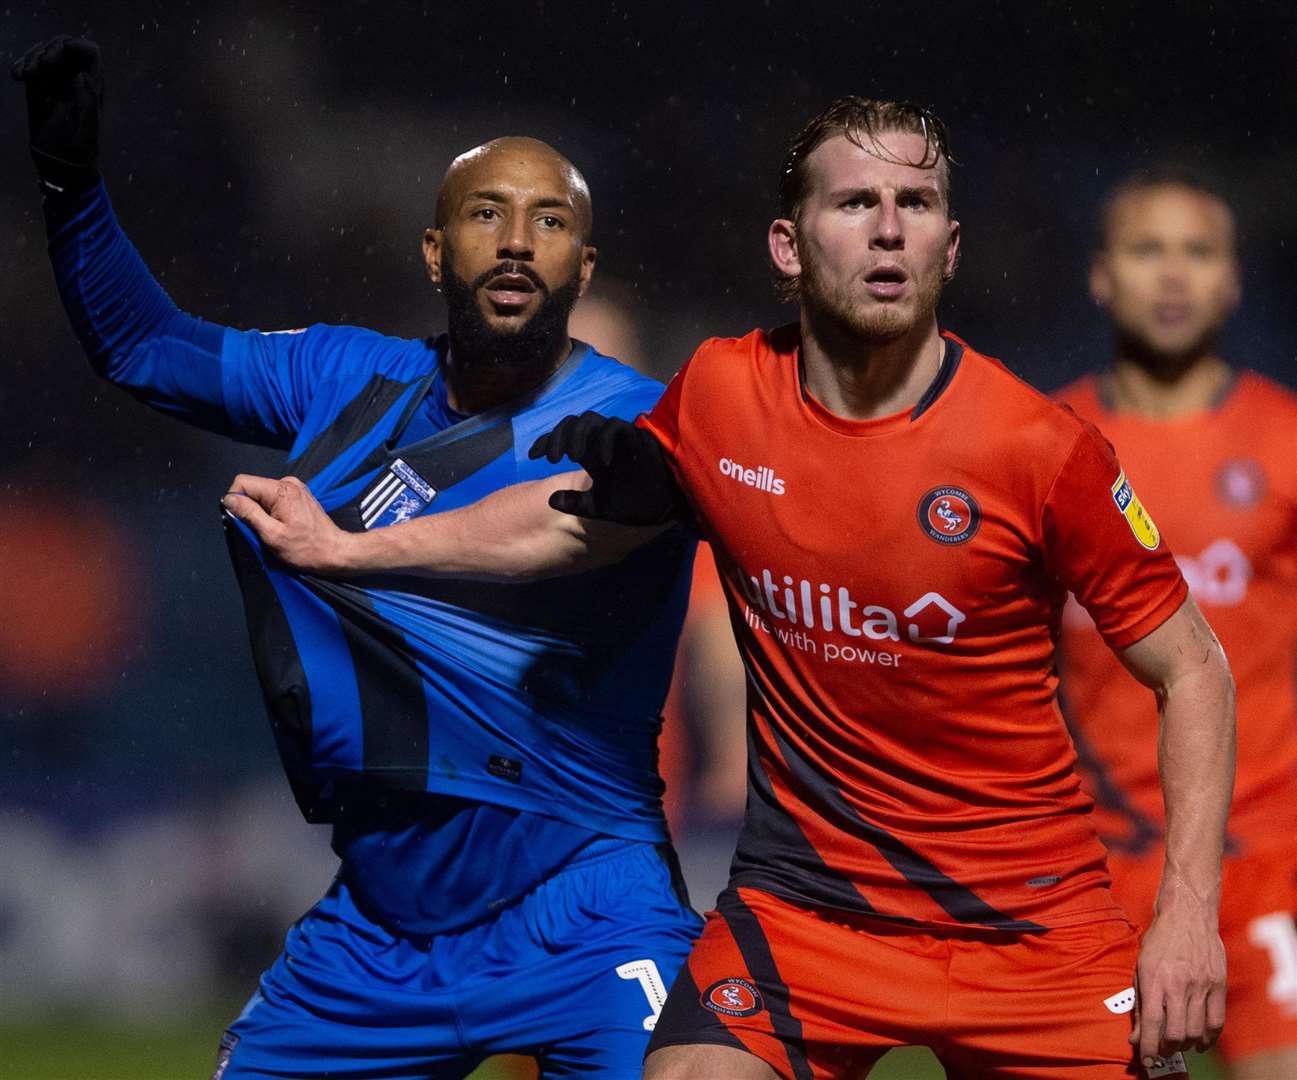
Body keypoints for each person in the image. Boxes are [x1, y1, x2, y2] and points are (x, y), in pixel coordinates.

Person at [224, 98, 1237, 1079]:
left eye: (915, 205)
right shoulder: (720, 394)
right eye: (853, 204)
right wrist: (350, 551)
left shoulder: (1039, 449)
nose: (887, 230)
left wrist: (1186, 916)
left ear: (950, 245)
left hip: (1029, 924)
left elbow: (1192, 668)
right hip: (809, 914)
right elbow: (566, 526)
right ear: (788, 249)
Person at [14, 35, 704, 1080]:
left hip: (584, 909)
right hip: (379, 929)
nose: (517, 242)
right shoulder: (345, 376)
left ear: (583, 267)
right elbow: (145, 348)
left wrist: (348, 549)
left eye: (550, 222)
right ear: (433, 253)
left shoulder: (631, 417)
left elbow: (557, 517)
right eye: (486, 215)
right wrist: (73, 191)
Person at [1055, 168, 1297, 1080]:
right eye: (1145, 249)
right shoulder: (1050, 442)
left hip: (1264, 854)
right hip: (1094, 862)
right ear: (1099, 274)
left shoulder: (1285, 441)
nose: (1170, 276)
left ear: (1232, 280)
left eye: (1195, 252)